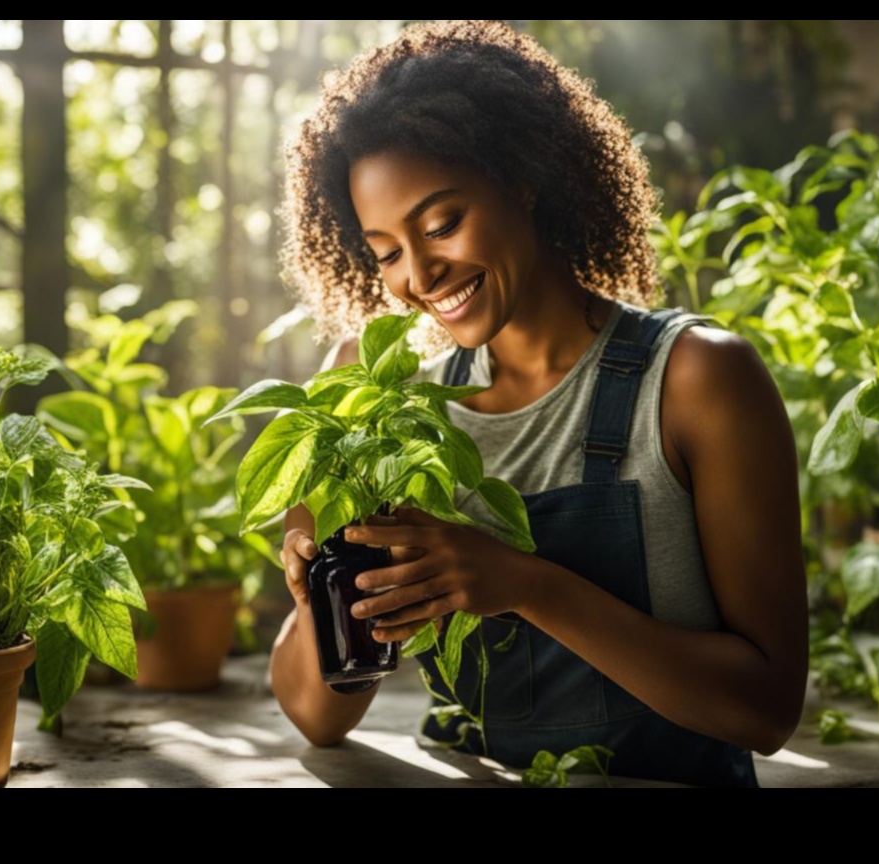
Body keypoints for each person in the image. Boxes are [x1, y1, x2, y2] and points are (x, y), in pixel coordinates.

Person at [269, 20, 807, 787]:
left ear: (521, 177)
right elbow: (317, 718)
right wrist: (323, 597)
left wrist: (525, 583)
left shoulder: (695, 380)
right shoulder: (387, 397)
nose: (419, 275)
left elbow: (767, 710)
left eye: (442, 223)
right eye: (386, 251)